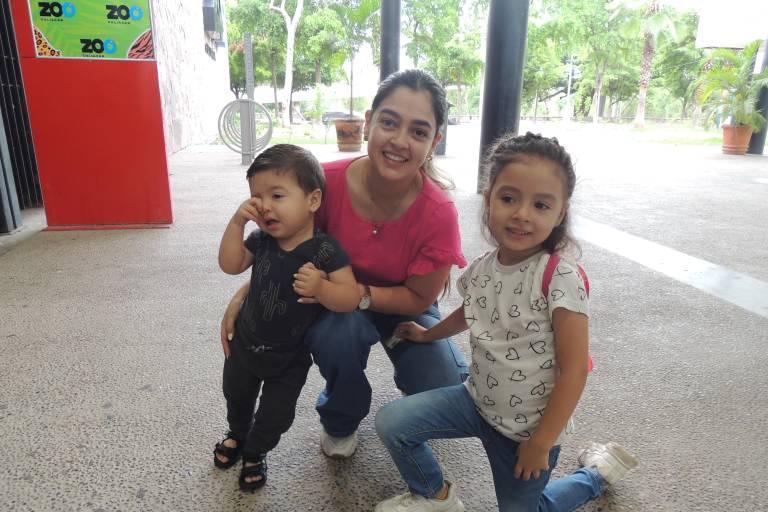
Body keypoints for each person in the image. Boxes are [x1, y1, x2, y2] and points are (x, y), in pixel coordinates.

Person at [374, 132, 638, 512]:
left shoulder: (559, 278)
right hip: (474, 400)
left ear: (560, 213)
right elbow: (471, 312)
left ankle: (596, 474)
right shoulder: (483, 267)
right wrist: (427, 334)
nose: (522, 214)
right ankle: (435, 496)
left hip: (526, 432)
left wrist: (541, 443)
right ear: (488, 200)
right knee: (392, 423)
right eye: (509, 198)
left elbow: (575, 370)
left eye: (541, 204)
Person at [220, 69, 469, 460]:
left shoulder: (439, 212)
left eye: (419, 131)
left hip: (401, 304)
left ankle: (425, 370)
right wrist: (245, 295)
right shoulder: (324, 184)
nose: (400, 141)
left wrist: (359, 294)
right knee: (337, 336)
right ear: (369, 122)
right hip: (331, 301)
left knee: (443, 388)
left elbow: (420, 298)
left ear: (434, 141)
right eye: (389, 122)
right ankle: (340, 417)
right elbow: (285, 249)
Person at [213, 144, 360, 492]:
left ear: (313, 200)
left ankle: (256, 450)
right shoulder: (261, 239)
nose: (264, 205)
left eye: (277, 195)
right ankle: (237, 433)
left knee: (277, 415)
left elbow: (350, 297)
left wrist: (322, 288)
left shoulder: (325, 250)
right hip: (245, 344)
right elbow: (230, 265)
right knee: (236, 396)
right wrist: (237, 222)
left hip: (290, 357)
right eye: (257, 197)